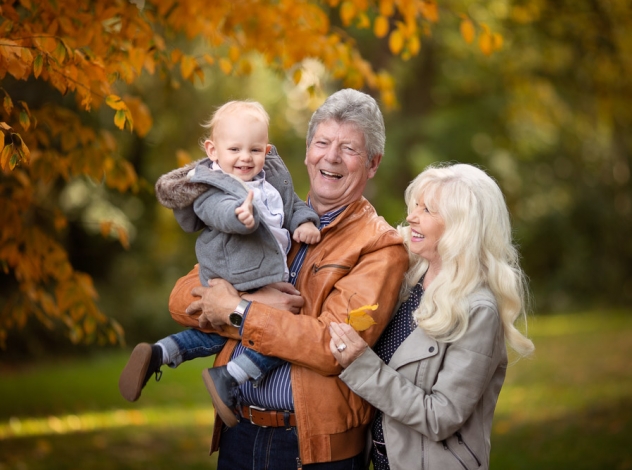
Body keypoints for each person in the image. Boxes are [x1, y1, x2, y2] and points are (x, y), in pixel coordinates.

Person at [168, 89, 409, 469]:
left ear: (373, 163)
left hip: (312, 448)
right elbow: (183, 298)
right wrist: (251, 306)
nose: (331, 157)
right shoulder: (270, 218)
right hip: (239, 431)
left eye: (348, 149)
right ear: (306, 152)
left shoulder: (380, 247)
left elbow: (333, 347)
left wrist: (238, 311)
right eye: (323, 143)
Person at [119, 101, 321, 420]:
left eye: (255, 149)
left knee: (217, 331)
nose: (245, 157)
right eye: (235, 149)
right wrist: (240, 216)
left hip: (257, 273)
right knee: (282, 329)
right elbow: (213, 212)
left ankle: (161, 352)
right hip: (238, 272)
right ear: (213, 150)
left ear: (266, 149)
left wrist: (305, 221)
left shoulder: (270, 180)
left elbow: (291, 205)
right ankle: (230, 376)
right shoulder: (213, 184)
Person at [328, 163, 535, 470]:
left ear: (461, 226)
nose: (412, 216)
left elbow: (441, 416)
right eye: (415, 206)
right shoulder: (407, 279)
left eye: (427, 209)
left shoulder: (478, 310)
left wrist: (362, 366)